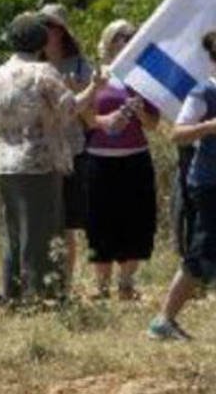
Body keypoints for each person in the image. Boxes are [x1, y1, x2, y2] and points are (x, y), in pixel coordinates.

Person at [0, 13, 103, 301]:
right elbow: (70, 108)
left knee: (15, 231)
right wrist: (95, 86)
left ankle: (14, 292)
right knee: (44, 230)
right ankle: (43, 293)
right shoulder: (44, 72)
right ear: (39, 42)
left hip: (6, 164)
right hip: (40, 162)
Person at [83, 20, 158, 300]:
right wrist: (105, 122)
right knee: (100, 220)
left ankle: (127, 283)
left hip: (135, 159)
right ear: (109, 41)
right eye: (121, 36)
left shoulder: (144, 78)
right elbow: (84, 116)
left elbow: (153, 124)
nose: (127, 40)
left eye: (132, 36)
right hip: (99, 160)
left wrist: (138, 112)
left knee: (135, 219)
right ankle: (101, 286)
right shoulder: (97, 75)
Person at [149, 30, 216, 340]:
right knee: (202, 253)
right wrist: (209, 127)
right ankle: (164, 320)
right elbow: (178, 133)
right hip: (209, 183)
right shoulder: (204, 92)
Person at [39, 3, 95, 289]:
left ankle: (65, 284)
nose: (43, 31)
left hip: (72, 150)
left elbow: (91, 119)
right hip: (38, 152)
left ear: (60, 31)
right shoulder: (32, 63)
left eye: (47, 25)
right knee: (44, 221)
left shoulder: (81, 66)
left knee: (66, 224)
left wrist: (77, 94)